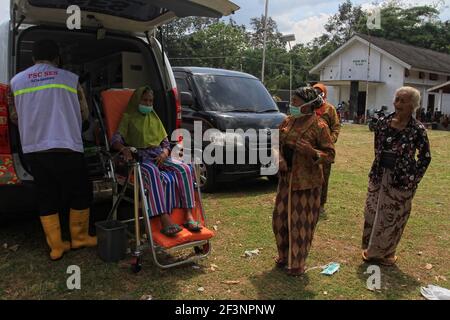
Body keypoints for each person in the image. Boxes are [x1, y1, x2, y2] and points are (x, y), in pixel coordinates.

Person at [8, 39, 96, 261]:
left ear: (32, 58)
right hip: (67, 145)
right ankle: (79, 237)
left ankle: (56, 246)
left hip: (34, 148)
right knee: (80, 190)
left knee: (46, 193)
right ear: (57, 58)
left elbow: (14, 117)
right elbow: (84, 115)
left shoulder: (15, 82)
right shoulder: (71, 79)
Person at [111, 86, 201, 237]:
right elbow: (115, 140)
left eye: (150, 101)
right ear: (137, 100)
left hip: (159, 155)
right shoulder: (128, 117)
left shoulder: (154, 117)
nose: (147, 104)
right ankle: (164, 218)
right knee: (152, 172)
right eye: (144, 100)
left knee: (185, 168)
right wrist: (124, 149)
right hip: (140, 156)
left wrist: (165, 153)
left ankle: (188, 215)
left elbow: (165, 142)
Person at [362, 86, 431, 266]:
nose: (398, 103)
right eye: (397, 99)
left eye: (403, 101)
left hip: (401, 180)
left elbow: (425, 157)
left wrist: (413, 177)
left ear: (413, 106)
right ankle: (371, 250)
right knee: (371, 212)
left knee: (393, 217)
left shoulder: (417, 129)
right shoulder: (383, 123)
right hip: (379, 174)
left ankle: (386, 254)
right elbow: (377, 147)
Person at [272, 87, 335, 276]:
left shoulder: (320, 126)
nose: (292, 105)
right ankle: (284, 255)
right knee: (280, 220)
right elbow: (275, 142)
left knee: (301, 224)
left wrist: (312, 152)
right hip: (286, 180)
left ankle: (297, 263)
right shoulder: (287, 121)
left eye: (296, 101)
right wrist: (280, 158)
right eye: (292, 100)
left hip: (306, 183)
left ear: (308, 106)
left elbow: (330, 155)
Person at [313, 83, 341, 215]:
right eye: (314, 91)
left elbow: (336, 127)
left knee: (324, 178)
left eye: (320, 91)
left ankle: (321, 205)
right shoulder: (308, 108)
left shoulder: (330, 109)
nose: (317, 93)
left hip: (324, 150)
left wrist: (330, 140)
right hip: (309, 149)